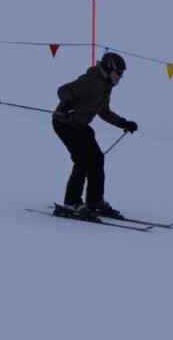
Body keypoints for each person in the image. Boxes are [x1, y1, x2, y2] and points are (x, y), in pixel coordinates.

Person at [53, 51, 138, 219]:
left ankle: (94, 201)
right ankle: (71, 203)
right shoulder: (90, 81)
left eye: (122, 74)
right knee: (82, 160)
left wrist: (123, 123)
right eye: (118, 73)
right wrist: (67, 105)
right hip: (64, 124)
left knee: (97, 158)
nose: (120, 77)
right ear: (108, 69)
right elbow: (63, 90)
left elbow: (104, 112)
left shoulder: (106, 86)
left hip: (80, 126)